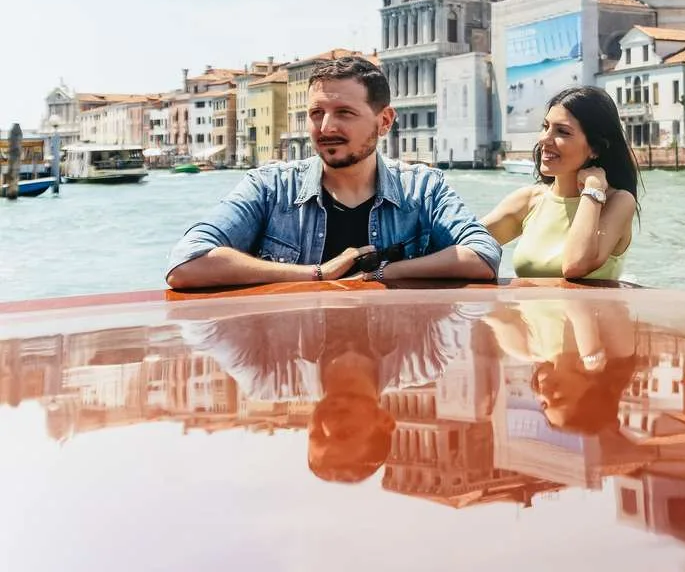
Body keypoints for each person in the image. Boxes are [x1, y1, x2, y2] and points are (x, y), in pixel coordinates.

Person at [166, 56, 501, 288]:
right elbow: (186, 263)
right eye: (316, 113)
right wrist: (317, 274)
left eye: (344, 112)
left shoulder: (424, 189)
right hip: (300, 370)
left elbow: (483, 255)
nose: (326, 127)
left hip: (389, 370)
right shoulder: (269, 187)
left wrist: (382, 273)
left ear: (384, 121)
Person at [181, 302, 489, 482]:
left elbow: (199, 325)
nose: (326, 424)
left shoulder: (267, 376)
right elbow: (469, 305)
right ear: (386, 421)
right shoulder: (425, 358)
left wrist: (305, 277)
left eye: (317, 436)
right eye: (344, 433)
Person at [482, 86, 639, 280]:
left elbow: (575, 264)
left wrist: (593, 190)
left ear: (595, 148)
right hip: (527, 310)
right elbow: (465, 242)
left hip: (589, 312)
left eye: (562, 132)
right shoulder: (529, 200)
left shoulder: (619, 202)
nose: (545, 139)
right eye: (545, 126)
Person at [484, 298, 637, 434]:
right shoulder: (619, 348)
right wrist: (590, 354)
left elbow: (485, 308)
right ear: (592, 388)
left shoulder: (525, 349)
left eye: (544, 404)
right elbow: (578, 299)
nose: (544, 394)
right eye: (560, 399)